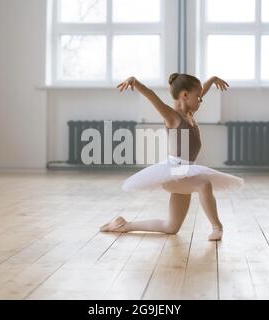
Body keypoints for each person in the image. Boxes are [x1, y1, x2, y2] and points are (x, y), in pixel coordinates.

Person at [100, 74, 244, 241]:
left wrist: (212, 80)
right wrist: (135, 82)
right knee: (204, 184)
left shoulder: (189, 113)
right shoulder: (173, 117)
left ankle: (123, 225)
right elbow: (151, 96)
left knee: (171, 227)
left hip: (186, 173)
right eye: (198, 96)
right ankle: (217, 227)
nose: (201, 99)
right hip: (174, 172)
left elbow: (200, 91)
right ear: (184, 95)